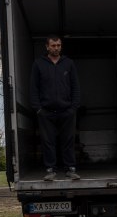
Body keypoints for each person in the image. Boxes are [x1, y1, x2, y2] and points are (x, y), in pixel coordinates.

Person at [30, 35, 81, 181]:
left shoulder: (69, 64)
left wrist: (73, 108)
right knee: (48, 141)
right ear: (47, 47)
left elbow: (75, 88)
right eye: (53, 45)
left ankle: (70, 170)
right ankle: (50, 170)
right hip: (46, 112)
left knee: (68, 141)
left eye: (58, 45)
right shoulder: (38, 64)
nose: (56, 48)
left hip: (67, 111)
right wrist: (38, 109)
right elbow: (33, 89)